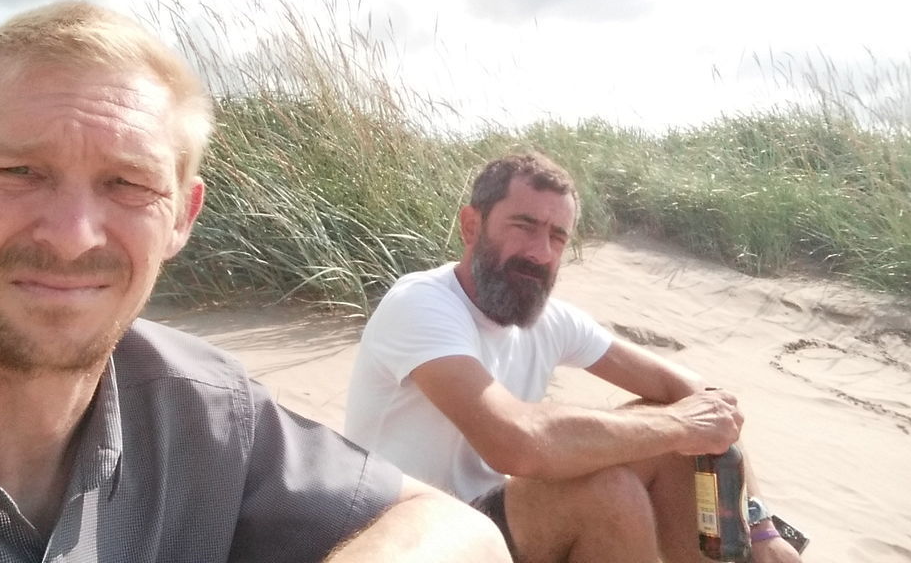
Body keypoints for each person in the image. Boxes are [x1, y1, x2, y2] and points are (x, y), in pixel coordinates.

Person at [0, 1, 508, 562]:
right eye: (20, 171)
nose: (71, 237)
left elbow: (460, 532)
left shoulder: (206, 415)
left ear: (181, 216)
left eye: (128, 184)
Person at [345, 152, 805, 562]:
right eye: (523, 226)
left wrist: (760, 525)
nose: (539, 252)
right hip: (406, 531)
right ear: (471, 226)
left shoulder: (552, 320)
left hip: (493, 516)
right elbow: (514, 442)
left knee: (673, 442)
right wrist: (681, 425)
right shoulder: (422, 304)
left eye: (557, 236)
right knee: (611, 489)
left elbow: (699, 396)